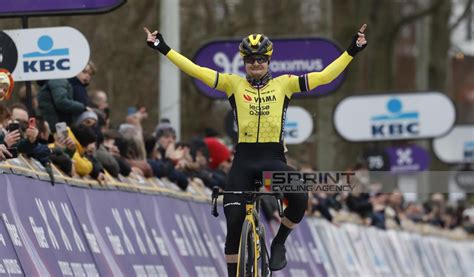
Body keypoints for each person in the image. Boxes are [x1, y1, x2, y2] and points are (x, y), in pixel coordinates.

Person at [144, 24, 367, 275]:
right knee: (235, 221)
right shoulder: (233, 84)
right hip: (244, 162)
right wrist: (163, 47)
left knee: (300, 197)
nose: (256, 64)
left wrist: (352, 49)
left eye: (261, 59)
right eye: (250, 60)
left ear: (269, 60)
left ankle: (279, 242)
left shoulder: (285, 84)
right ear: (244, 62)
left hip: (272, 161)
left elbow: (325, 76)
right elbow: (195, 70)